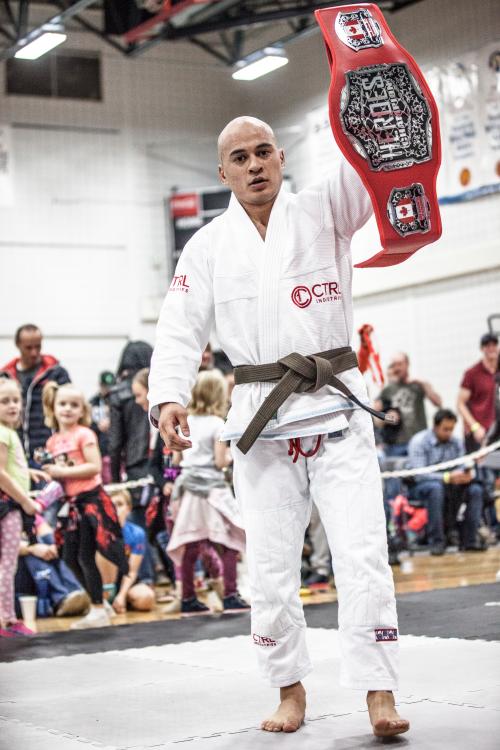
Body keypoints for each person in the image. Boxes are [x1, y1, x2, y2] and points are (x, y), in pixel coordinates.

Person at [148, 117, 409, 736]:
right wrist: (168, 396)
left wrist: (370, 96)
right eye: (240, 158)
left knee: (363, 553)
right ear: (223, 173)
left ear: (282, 157)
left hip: (336, 408)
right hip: (261, 422)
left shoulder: (324, 208)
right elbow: (179, 325)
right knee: (269, 565)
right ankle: (289, 687)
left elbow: (370, 163)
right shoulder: (207, 246)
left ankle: (379, 690)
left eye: (263, 151)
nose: (254, 165)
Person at [41, 381, 128, 629]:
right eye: (63, 404)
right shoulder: (53, 441)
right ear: (53, 408)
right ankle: (98, 600)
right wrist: (51, 477)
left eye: (74, 405)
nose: (68, 409)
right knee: (69, 557)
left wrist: (61, 471)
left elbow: (94, 467)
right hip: (71, 505)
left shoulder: (84, 434)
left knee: (85, 555)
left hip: (91, 501)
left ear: (83, 410)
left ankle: (98, 608)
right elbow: (61, 474)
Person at [167, 370, 248, 615]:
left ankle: (188, 598)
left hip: (189, 491)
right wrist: (233, 455)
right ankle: (230, 594)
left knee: (191, 544)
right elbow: (220, 461)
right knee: (230, 542)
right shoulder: (217, 424)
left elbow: (176, 459)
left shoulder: (185, 423)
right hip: (212, 490)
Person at [407, 409, 484, 555]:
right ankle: (437, 542)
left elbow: (462, 464)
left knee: (476, 490)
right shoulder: (419, 441)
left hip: (451, 485)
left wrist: (465, 474)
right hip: (421, 486)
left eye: (451, 429)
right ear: (435, 426)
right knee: (436, 488)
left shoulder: (456, 442)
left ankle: (470, 541)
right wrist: (446, 477)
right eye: (445, 429)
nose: (449, 433)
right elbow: (419, 474)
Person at [0, 378, 42, 636]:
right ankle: (6, 619)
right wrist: (25, 501)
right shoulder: (3, 433)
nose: (13, 405)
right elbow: (1, 473)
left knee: (6, 563)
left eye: (16, 400)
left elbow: (9, 468)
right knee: (8, 564)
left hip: (9, 504)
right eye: (4, 401)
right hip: (8, 507)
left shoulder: (8, 432)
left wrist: (29, 473)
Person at [1, 324, 70, 458]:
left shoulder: (56, 373)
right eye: (28, 347)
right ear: (18, 345)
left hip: (50, 448)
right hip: (14, 448)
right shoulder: (5, 377)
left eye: (38, 346)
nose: (34, 352)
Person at [109, 341, 153, 528]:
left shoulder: (118, 393)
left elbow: (115, 443)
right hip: (160, 465)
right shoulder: (160, 387)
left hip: (135, 466)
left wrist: (115, 480)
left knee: (137, 521)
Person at [15, 514, 91, 618]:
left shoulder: (25, 513)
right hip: (14, 571)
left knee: (50, 540)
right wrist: (31, 549)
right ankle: (60, 598)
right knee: (32, 552)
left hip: (34, 568)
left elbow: (46, 533)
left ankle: (74, 592)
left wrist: (53, 547)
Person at [97, 490, 156, 614]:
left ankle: (119, 601)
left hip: (125, 579)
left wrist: (122, 595)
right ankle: (104, 601)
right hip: (101, 582)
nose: (115, 509)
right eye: (111, 505)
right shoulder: (98, 531)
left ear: (128, 508)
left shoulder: (137, 533)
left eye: (119, 504)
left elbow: (132, 571)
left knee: (147, 598)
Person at [458, 333, 499, 451]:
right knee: (483, 461)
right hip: (481, 431)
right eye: (487, 345)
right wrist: (474, 427)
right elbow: (460, 404)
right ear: (482, 348)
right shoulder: (472, 374)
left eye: (494, 344)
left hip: (497, 428)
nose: (491, 348)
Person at [90, 370, 116, 484]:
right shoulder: (93, 402)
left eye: (110, 387)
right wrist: (97, 426)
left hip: (114, 448)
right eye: (105, 386)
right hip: (99, 447)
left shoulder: (117, 401)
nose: (108, 390)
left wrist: (112, 422)